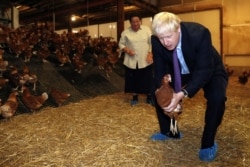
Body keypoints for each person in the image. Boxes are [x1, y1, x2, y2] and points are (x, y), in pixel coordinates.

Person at [150, 12, 228, 162]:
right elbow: (159, 69)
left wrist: (182, 93)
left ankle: (208, 142)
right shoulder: (155, 40)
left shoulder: (199, 33)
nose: (165, 42)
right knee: (158, 91)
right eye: (161, 38)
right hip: (179, 69)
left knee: (217, 97)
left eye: (168, 36)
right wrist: (163, 88)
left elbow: (204, 70)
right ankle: (170, 131)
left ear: (178, 28)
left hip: (209, 68)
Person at [119, 13, 154, 106]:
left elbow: (151, 43)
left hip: (145, 59)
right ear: (130, 22)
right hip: (131, 60)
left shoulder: (147, 30)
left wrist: (150, 54)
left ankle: (149, 97)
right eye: (133, 22)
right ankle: (135, 97)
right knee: (133, 80)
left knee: (147, 79)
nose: (135, 23)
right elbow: (121, 44)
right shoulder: (125, 32)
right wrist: (127, 50)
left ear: (140, 21)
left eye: (137, 21)